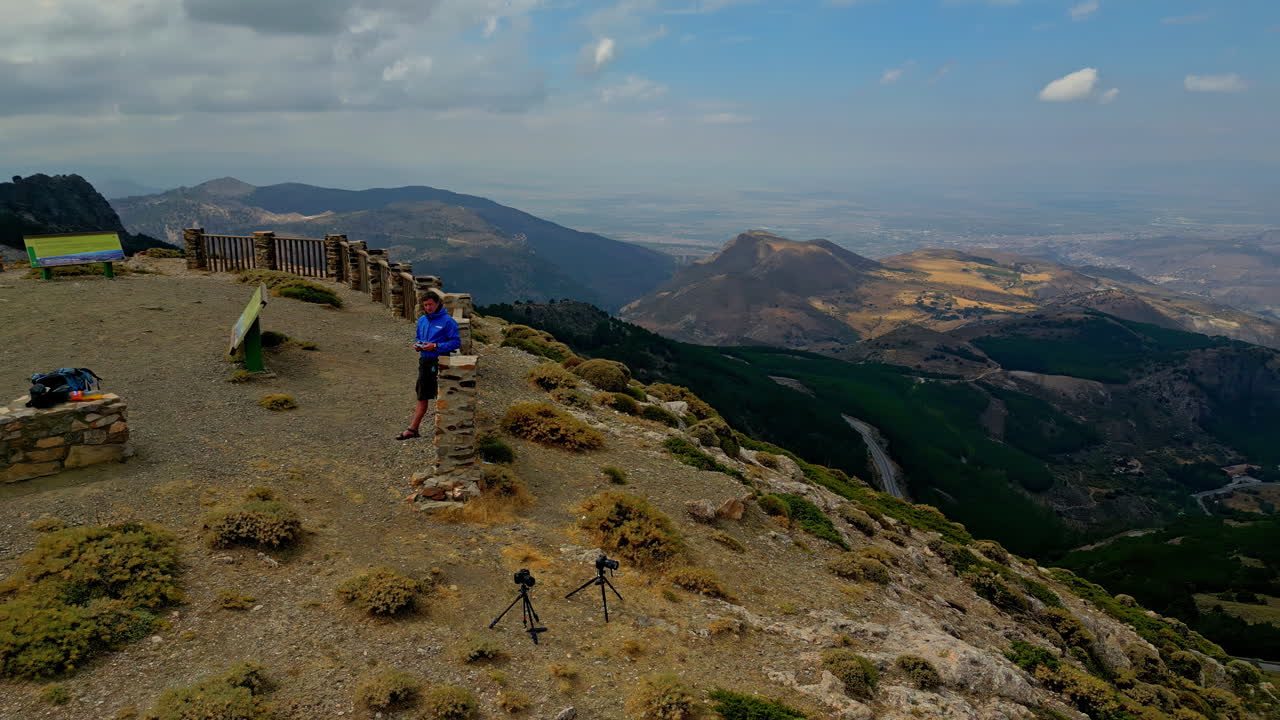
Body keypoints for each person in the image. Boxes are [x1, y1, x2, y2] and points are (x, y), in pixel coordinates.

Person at [396, 289, 460, 439]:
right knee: (422, 393)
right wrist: (418, 345)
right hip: (424, 361)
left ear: (438, 303)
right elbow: (418, 337)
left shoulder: (448, 321)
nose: (428, 308)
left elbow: (456, 342)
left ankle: (441, 429)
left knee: (440, 395)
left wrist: (436, 347)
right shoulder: (422, 320)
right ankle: (414, 429)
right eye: (425, 305)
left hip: (440, 362)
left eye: (430, 304)